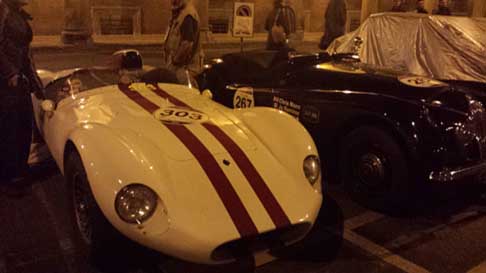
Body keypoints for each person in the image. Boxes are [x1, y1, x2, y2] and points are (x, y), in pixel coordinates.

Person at [0, 0, 43, 188]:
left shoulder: (16, 13)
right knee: (10, 128)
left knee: (23, 126)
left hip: (21, 79)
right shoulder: (2, 11)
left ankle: (19, 169)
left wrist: (34, 82)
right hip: (7, 83)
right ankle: (9, 177)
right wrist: (10, 73)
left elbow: (26, 53)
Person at [163, 0, 203, 88]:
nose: (173, 1)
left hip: (186, 69)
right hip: (179, 68)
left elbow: (187, 44)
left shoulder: (188, 15)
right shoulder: (179, 14)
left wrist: (175, 61)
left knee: (185, 96)